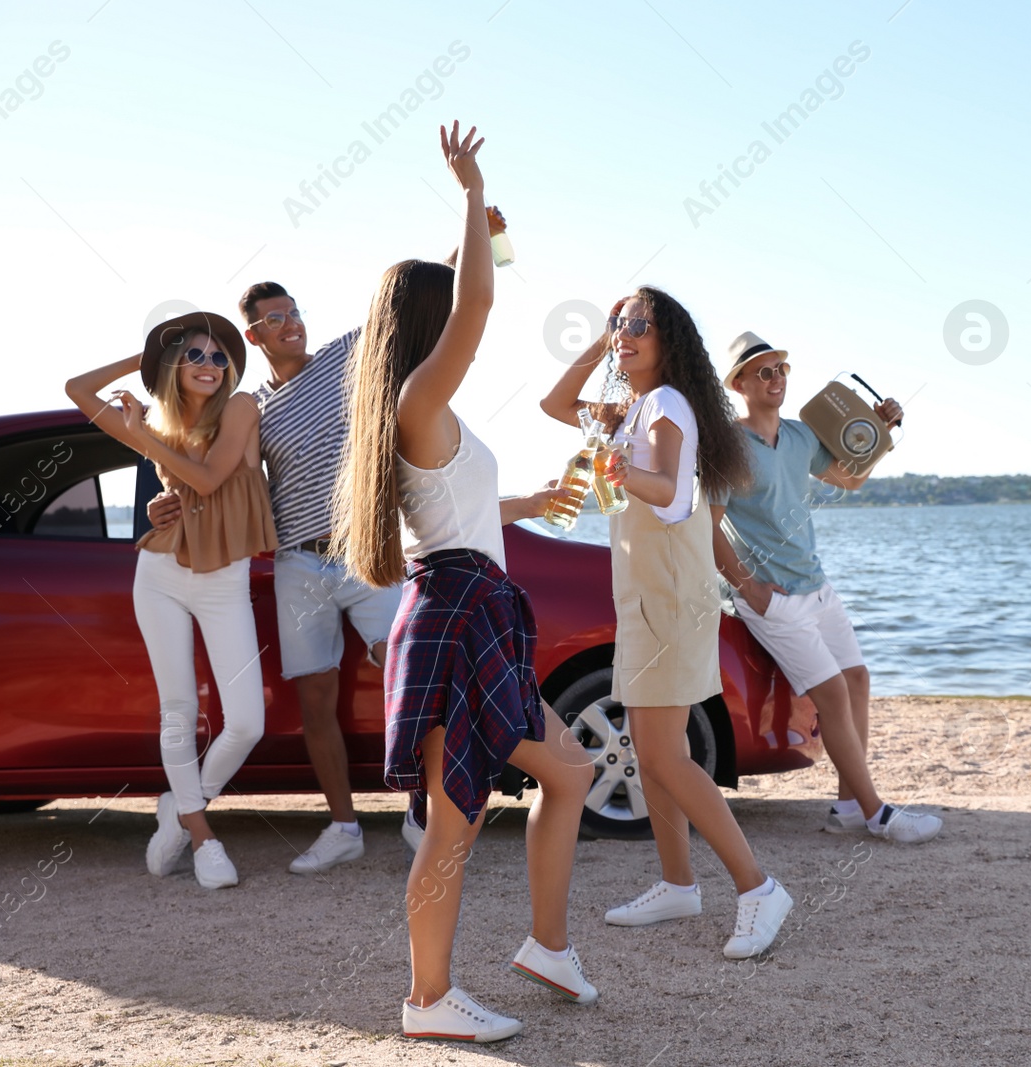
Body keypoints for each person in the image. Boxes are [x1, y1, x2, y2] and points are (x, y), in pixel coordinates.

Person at [333, 121, 594, 1043]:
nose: (459, 323)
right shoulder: (417, 403)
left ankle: (548, 946)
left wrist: (533, 497)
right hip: (456, 617)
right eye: (442, 310)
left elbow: (463, 512)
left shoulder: (424, 416)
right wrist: (474, 197)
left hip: (476, 609)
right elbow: (474, 313)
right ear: (424, 325)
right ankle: (429, 999)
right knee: (454, 828)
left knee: (572, 771)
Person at [148, 219, 512, 875]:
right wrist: (167, 495)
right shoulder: (250, 406)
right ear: (254, 336)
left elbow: (417, 294)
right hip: (298, 561)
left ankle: (424, 808)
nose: (291, 324)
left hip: (364, 550)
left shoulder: (351, 354)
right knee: (317, 696)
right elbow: (221, 472)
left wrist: (472, 236)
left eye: (293, 312)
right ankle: (343, 824)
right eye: (275, 319)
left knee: (410, 671)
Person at [541, 289, 793, 961]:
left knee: (662, 756)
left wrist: (628, 472)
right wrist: (602, 344)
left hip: (671, 602)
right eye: (621, 324)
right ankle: (679, 882)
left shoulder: (669, 405)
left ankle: (759, 886)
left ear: (669, 339)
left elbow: (675, 495)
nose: (627, 334)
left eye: (638, 326)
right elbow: (556, 405)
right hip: (648, 598)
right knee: (654, 753)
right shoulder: (635, 406)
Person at [66, 311, 277, 889]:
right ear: (173, 367)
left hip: (224, 578)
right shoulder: (155, 420)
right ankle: (203, 837)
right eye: (194, 355)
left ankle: (180, 809)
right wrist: (144, 360)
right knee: (178, 709)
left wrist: (143, 438)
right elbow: (77, 390)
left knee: (246, 723)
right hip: (160, 570)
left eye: (218, 356)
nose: (209, 365)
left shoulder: (239, 409)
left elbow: (208, 480)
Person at [711, 332, 942, 844]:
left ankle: (846, 809)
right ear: (740, 384)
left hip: (816, 584)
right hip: (772, 599)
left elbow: (851, 479)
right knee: (834, 695)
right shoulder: (726, 445)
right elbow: (709, 528)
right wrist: (750, 591)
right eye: (763, 372)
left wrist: (880, 433)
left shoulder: (800, 436)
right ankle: (878, 813)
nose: (775, 379)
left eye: (781, 370)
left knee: (857, 679)